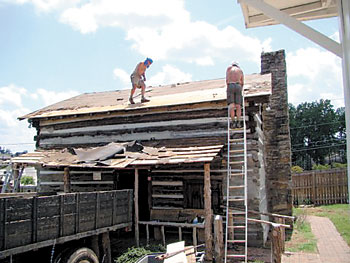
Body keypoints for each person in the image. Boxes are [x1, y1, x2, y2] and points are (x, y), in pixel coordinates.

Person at [226, 62, 244, 128]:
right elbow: (242, 82)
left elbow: (227, 80)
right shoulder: (240, 70)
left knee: (232, 105)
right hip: (238, 85)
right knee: (238, 105)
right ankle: (238, 122)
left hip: (230, 85)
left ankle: (233, 122)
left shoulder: (229, 69)